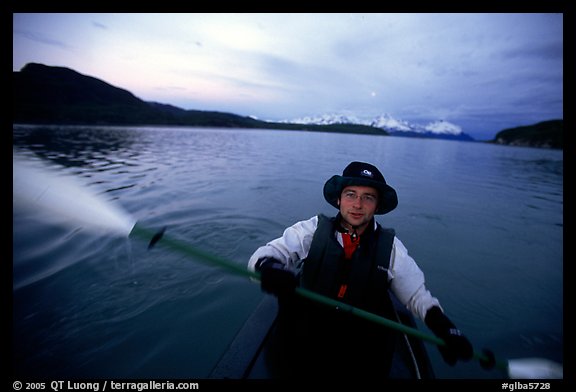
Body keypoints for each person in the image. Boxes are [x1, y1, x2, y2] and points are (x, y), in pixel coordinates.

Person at [248, 161, 475, 379]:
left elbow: (417, 296)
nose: (358, 204)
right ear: (338, 199)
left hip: (359, 345)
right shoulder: (311, 230)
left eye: (368, 197)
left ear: (377, 206)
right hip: (305, 333)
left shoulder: (391, 248)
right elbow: (266, 255)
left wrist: (445, 328)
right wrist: (269, 267)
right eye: (351, 195)